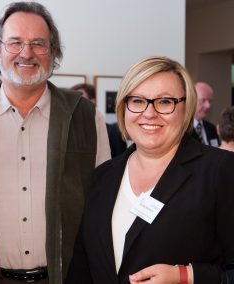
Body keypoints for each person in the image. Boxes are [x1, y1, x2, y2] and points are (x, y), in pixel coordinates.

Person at [0, 2, 110, 283]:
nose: (27, 53)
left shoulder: (85, 118)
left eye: (39, 44)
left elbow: (103, 204)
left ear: (53, 53)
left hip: (64, 277)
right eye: (15, 43)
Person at [65, 56, 234, 284]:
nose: (149, 113)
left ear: (186, 109)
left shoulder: (221, 171)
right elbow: (82, 268)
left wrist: (186, 275)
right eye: (137, 100)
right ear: (124, 107)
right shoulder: (102, 176)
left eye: (165, 102)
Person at [72, 83, 127, 157]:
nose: (76, 103)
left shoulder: (113, 131)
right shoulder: (70, 132)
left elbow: (120, 162)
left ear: (92, 101)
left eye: (80, 99)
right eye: (73, 100)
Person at [191, 81, 220, 146]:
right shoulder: (182, 129)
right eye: (203, 100)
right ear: (191, 100)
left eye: (210, 101)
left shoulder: (212, 129)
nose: (208, 106)